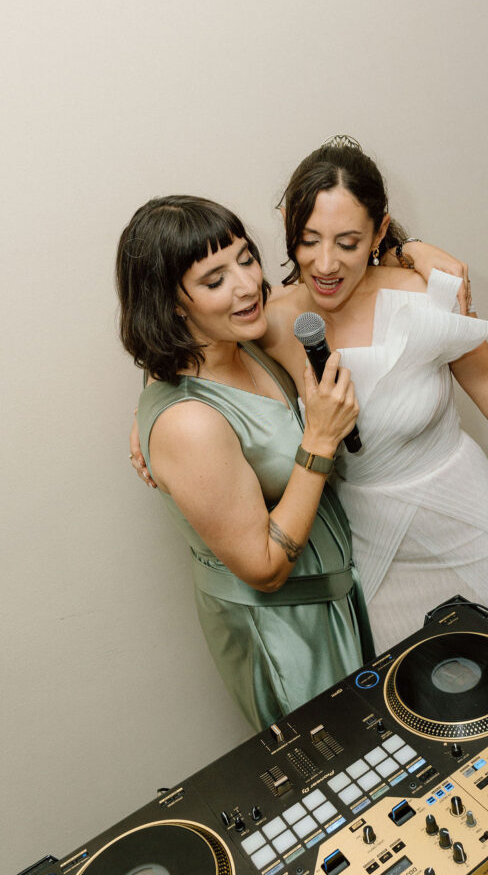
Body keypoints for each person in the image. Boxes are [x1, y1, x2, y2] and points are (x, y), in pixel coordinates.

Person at [256, 136, 488, 652]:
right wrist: (150, 413)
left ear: (378, 232)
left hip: (471, 533)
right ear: (289, 226)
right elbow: (196, 341)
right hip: (375, 557)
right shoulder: (276, 320)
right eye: (309, 240)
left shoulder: (425, 295)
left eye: (347, 243)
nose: (325, 264)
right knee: (408, 690)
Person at [116, 195, 375, 730]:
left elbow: (333, 275)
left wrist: (414, 249)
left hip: (336, 596)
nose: (247, 284)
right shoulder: (189, 424)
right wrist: (320, 439)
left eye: (246, 259)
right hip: (286, 629)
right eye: (215, 280)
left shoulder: (243, 341)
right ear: (172, 304)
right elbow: (263, 567)